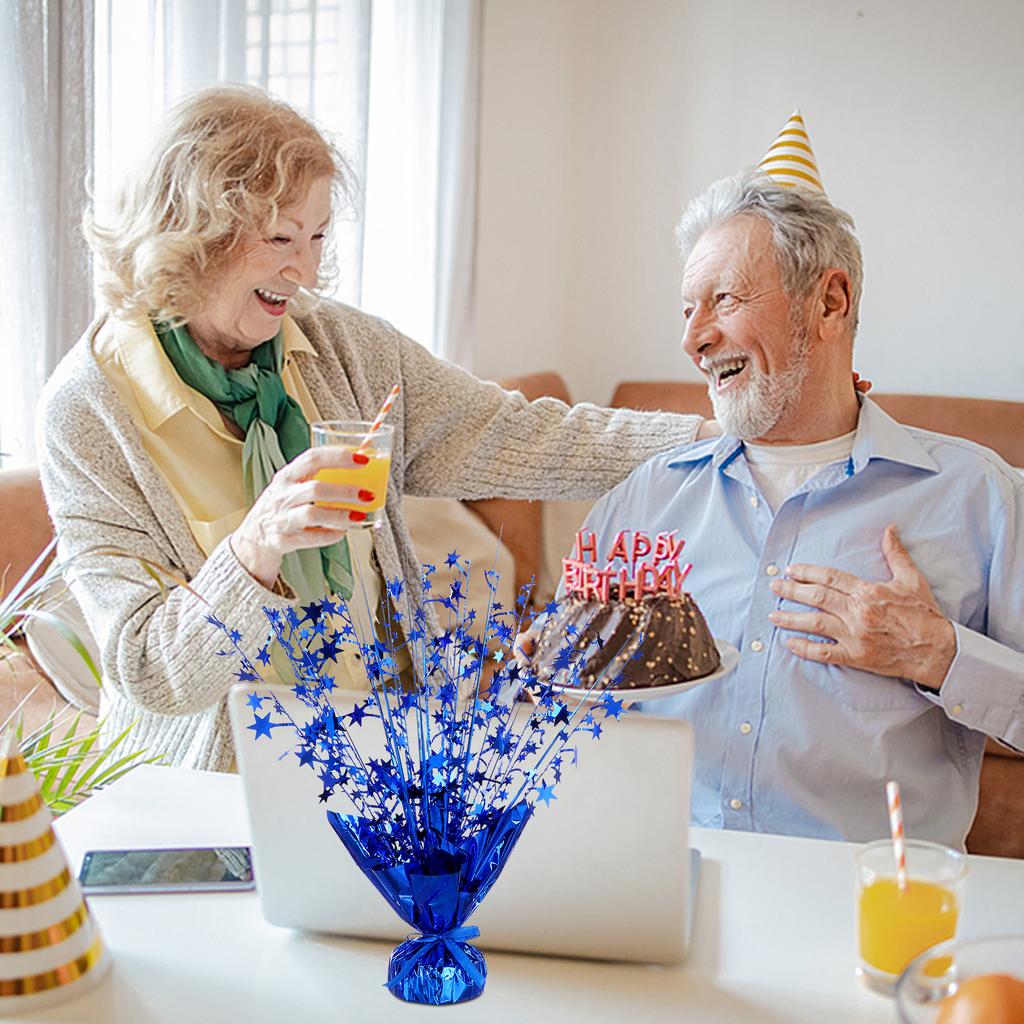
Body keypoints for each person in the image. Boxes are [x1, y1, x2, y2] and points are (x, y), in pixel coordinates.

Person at [37, 85, 713, 773]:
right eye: (279, 238)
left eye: (317, 236)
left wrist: (712, 441)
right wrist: (257, 545)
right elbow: (149, 670)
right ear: (192, 232)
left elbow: (516, 433)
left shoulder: (342, 348)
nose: (302, 271)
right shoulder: (89, 412)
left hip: (376, 769)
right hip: (209, 802)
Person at [567, 165, 1023, 849]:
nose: (693, 338)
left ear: (830, 302)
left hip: (869, 911)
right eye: (687, 310)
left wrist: (941, 654)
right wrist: (554, 684)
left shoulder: (978, 496)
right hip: (656, 889)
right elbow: (559, 725)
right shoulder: (642, 501)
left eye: (723, 299)